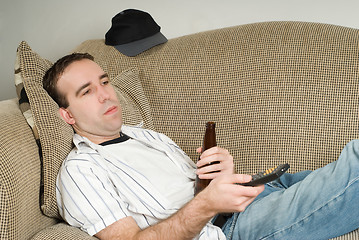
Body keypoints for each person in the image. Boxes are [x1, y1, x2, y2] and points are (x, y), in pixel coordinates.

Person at [43, 53, 359, 240]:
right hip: (233, 226)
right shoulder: (81, 170)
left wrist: (219, 177)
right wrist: (209, 204)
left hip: (253, 192)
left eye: (105, 81)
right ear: (67, 114)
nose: (105, 95)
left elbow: (198, 192)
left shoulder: (145, 135)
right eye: (87, 91)